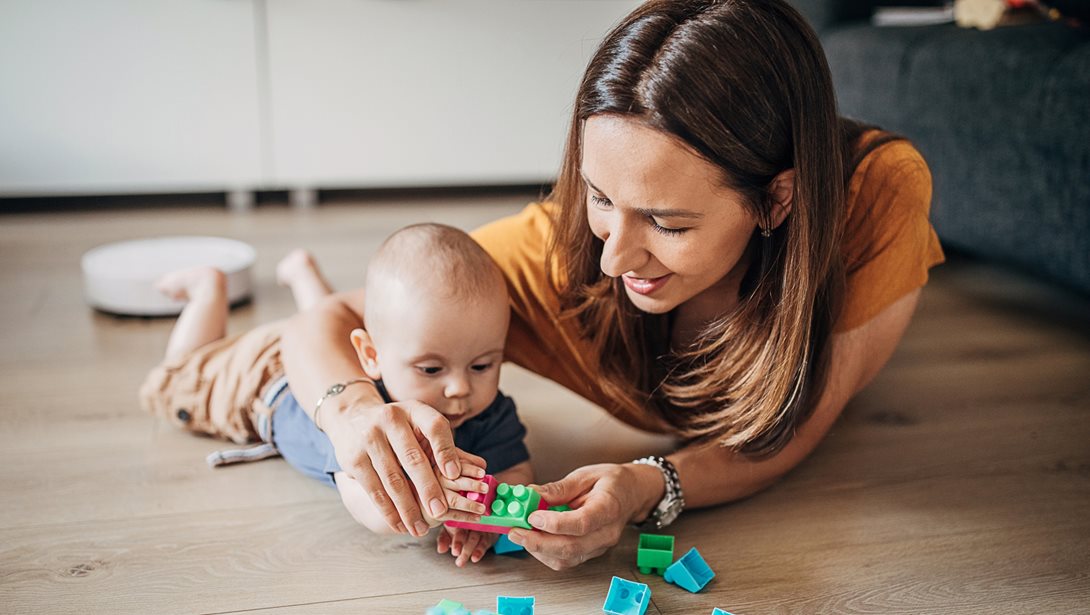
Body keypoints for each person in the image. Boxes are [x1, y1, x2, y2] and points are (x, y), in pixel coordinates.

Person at [279, 0, 945, 570]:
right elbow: (328, 323)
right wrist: (351, 412)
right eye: (599, 197)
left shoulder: (875, 194)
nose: (613, 259)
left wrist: (646, 485)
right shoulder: (558, 255)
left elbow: (797, 421)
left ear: (776, 200)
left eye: (666, 222)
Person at [139, 224, 533, 567]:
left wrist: (486, 520)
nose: (460, 388)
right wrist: (438, 506)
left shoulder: (490, 411)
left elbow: (514, 470)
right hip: (259, 381)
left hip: (335, 350)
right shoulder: (370, 421)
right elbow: (366, 503)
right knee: (179, 377)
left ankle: (303, 275)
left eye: (482, 365)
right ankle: (207, 291)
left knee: (331, 327)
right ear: (371, 357)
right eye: (431, 369)